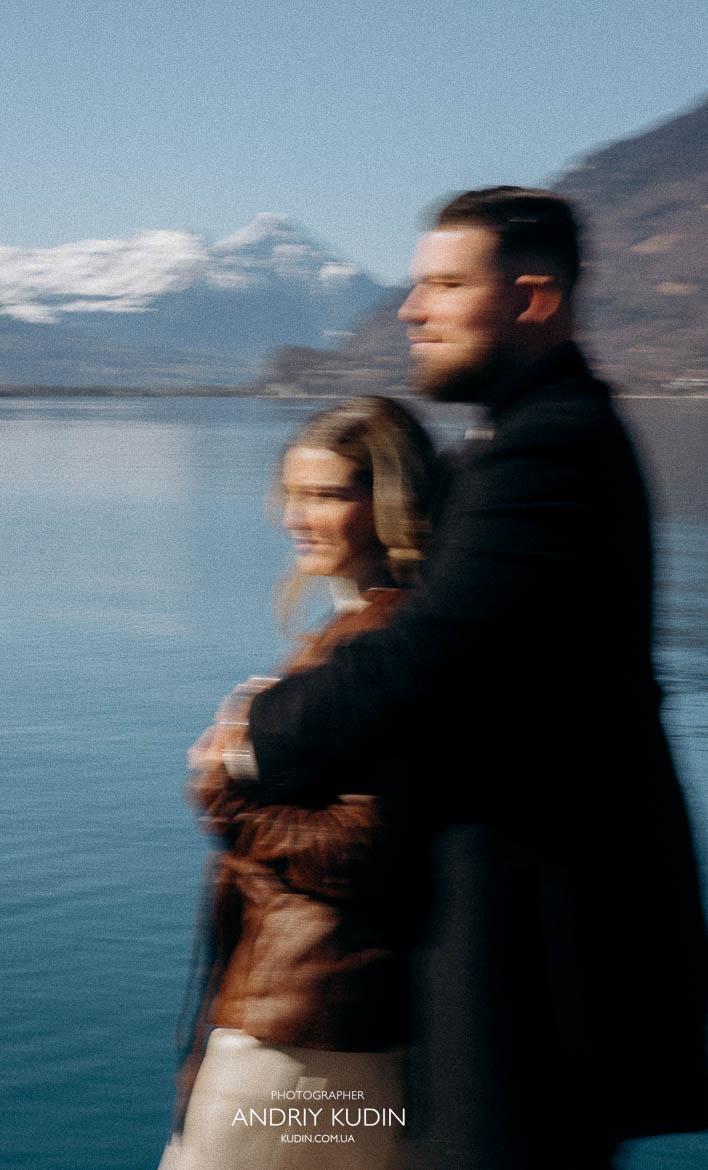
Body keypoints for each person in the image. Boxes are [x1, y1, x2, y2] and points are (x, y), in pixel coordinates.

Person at [212, 188, 708, 1169]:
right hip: (518, 943)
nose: (410, 307)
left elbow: (432, 649)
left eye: (444, 283)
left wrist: (254, 737)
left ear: (530, 300)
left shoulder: (550, 448)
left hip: (535, 952)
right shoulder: (521, 441)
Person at [159, 396, 440, 1170]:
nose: (297, 516)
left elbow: (367, 846)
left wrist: (225, 794)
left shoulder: (385, 641)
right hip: (314, 1025)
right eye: (293, 493)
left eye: (326, 495)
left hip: (301, 1042)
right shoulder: (359, 631)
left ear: (388, 503)